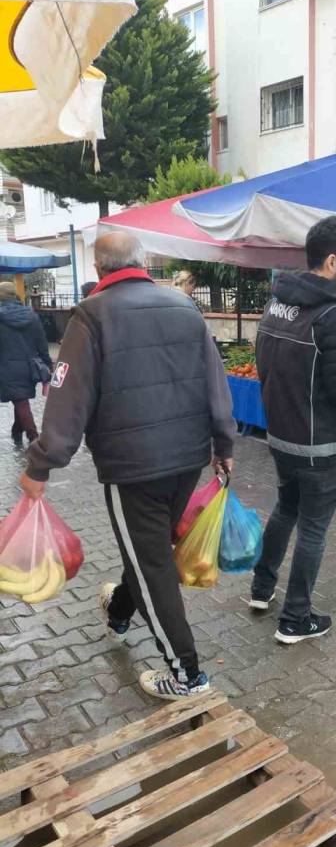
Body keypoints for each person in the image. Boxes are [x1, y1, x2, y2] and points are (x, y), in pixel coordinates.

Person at [20, 232, 236, 701]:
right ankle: (119, 611)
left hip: (133, 468)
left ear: (100, 269)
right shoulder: (184, 308)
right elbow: (216, 381)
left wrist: (41, 465)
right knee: (147, 549)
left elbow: (67, 398)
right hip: (187, 460)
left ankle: (187, 675)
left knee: (152, 561)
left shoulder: (92, 316)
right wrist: (224, 443)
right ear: (143, 263)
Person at [251, 216, 336, 644]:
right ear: (331, 261)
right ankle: (295, 619)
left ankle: (261, 588)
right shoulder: (332, 315)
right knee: (313, 528)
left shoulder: (277, 303)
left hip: (281, 439)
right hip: (320, 447)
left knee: (285, 511)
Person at [0, 280, 52, 445]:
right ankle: (17, 432)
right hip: (29, 366)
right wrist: (47, 365)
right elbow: (42, 343)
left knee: (21, 401)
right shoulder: (31, 315)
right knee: (20, 398)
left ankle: (34, 439)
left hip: (7, 367)